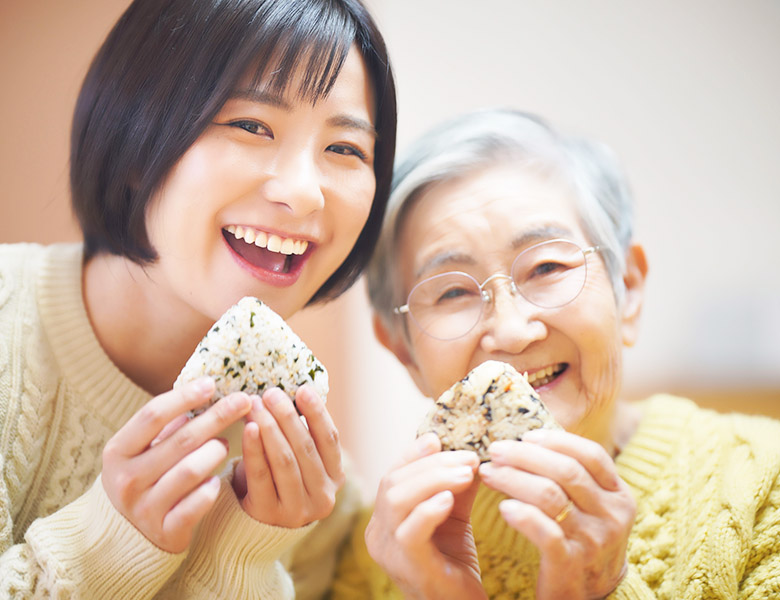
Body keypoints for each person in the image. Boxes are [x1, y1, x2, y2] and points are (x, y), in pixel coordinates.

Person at [0, 0, 396, 597]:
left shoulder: (307, 478)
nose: (304, 193)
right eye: (251, 126)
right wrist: (104, 547)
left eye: (345, 149)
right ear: (136, 140)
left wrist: (246, 557)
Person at [329, 108, 780, 599]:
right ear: (404, 351)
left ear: (627, 289)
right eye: (453, 292)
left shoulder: (764, 484)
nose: (511, 330)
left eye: (546, 267)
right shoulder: (380, 558)